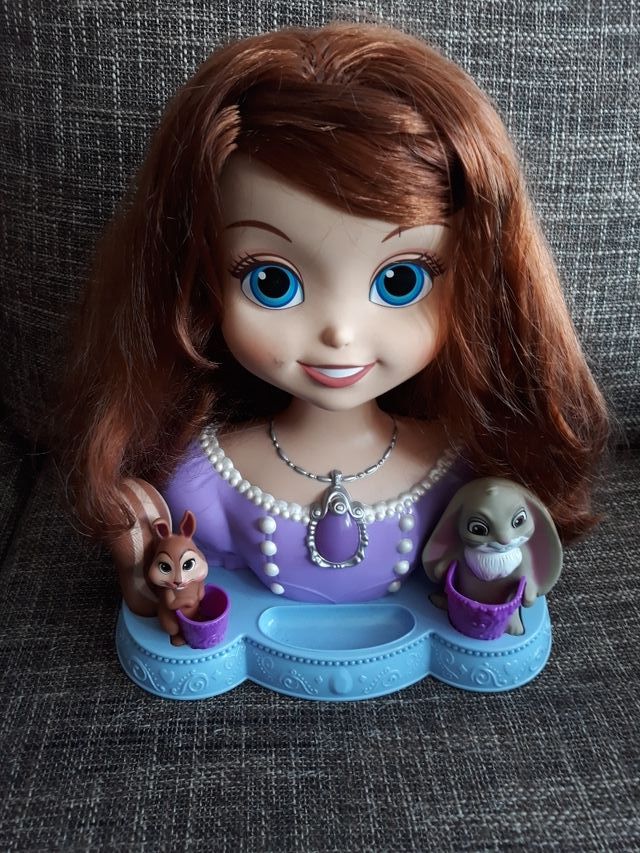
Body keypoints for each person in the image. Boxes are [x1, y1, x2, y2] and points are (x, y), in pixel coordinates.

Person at [61, 23, 609, 610]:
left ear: (477, 286)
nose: (340, 332)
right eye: (272, 282)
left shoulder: (464, 474)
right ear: (198, 284)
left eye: (401, 281)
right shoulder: (204, 485)